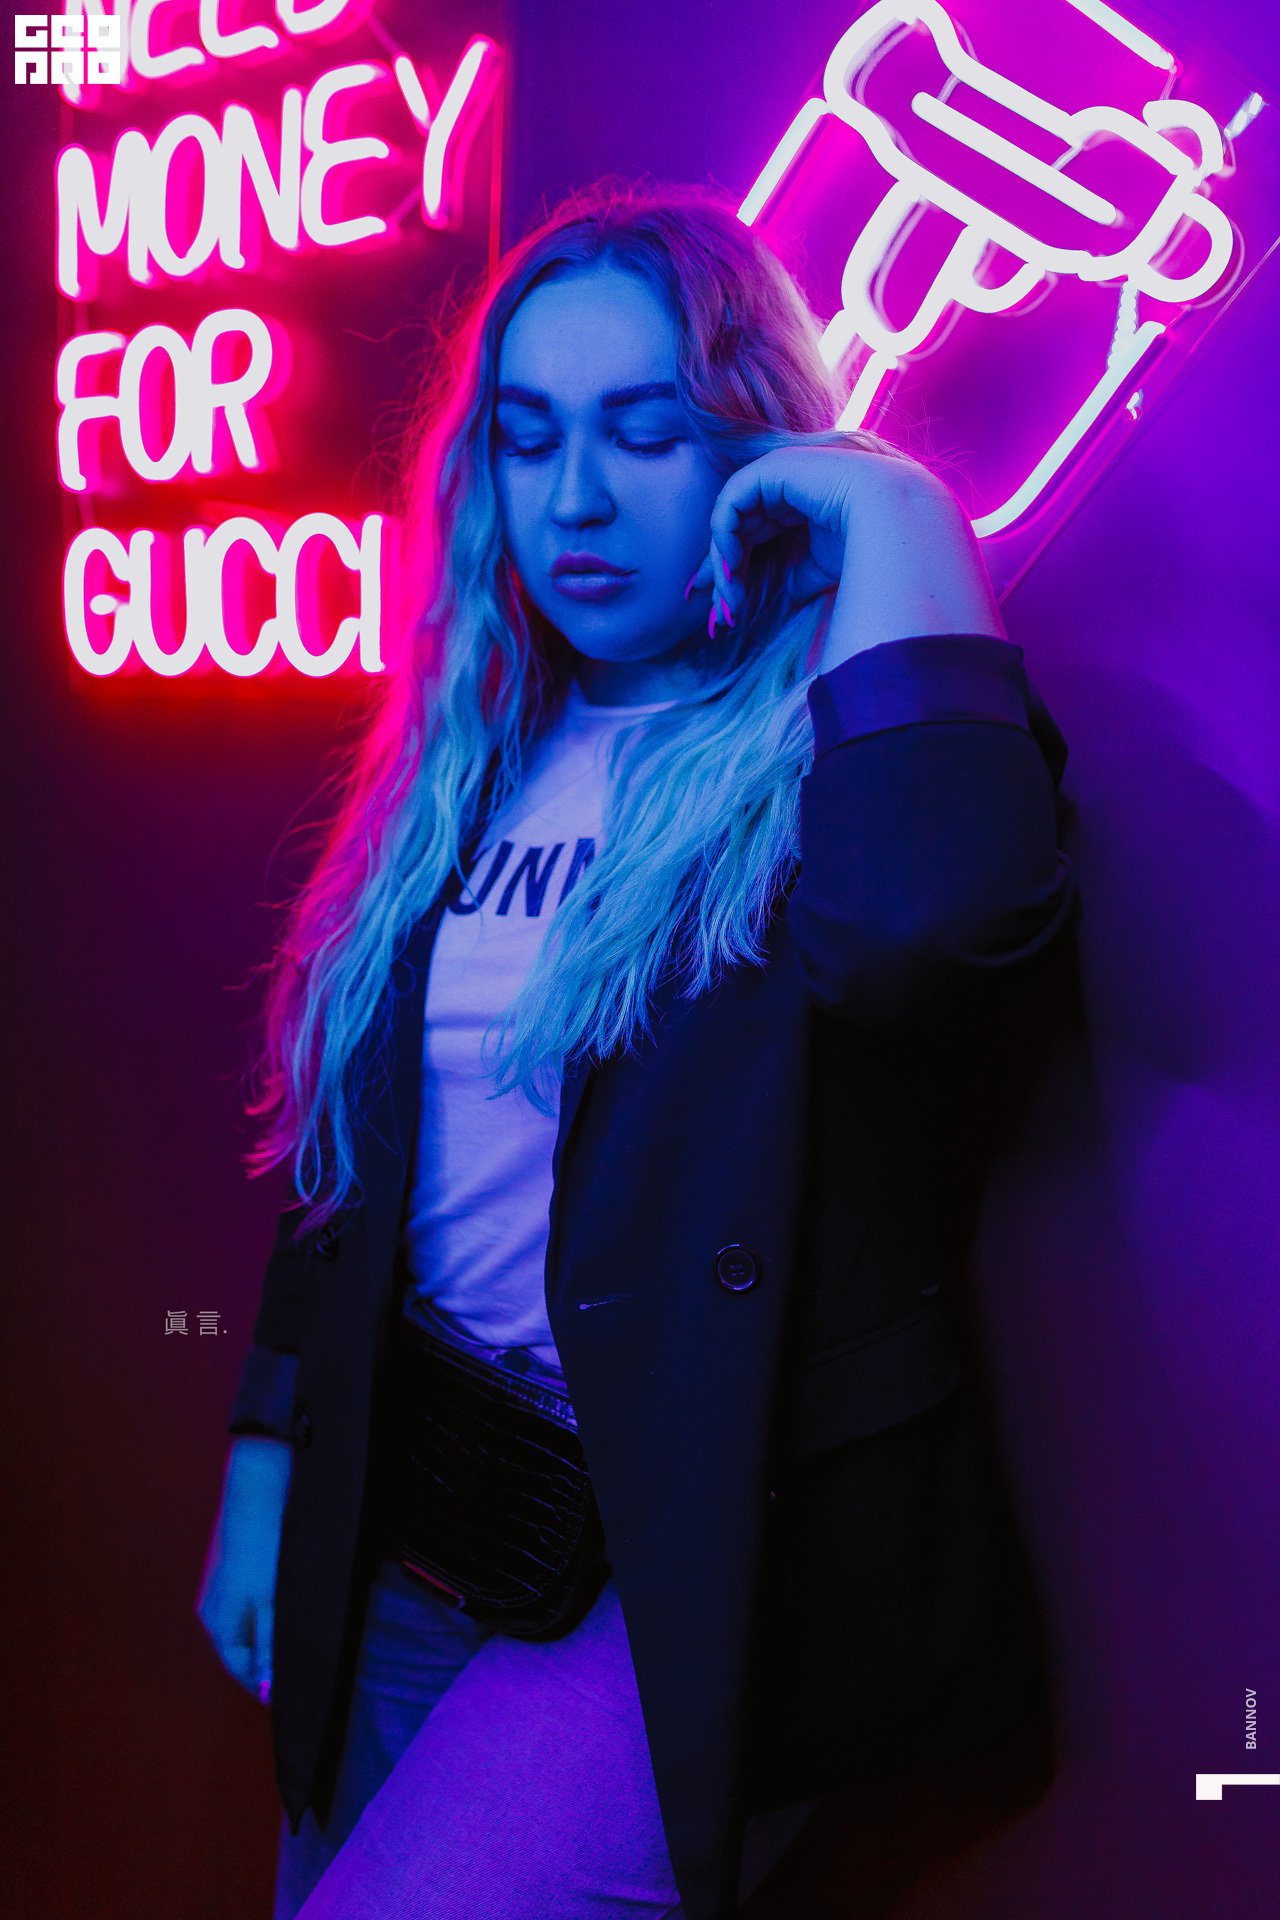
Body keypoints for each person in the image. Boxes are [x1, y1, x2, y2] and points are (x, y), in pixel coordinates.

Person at [196, 185, 1077, 1920]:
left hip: (687, 1537)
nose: (577, 499)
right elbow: (356, 1164)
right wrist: (269, 1448)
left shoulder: (850, 739)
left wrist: (890, 505)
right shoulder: (473, 750)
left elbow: (933, 927)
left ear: (756, 450)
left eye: (646, 432)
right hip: (415, 1495)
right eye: (529, 440)